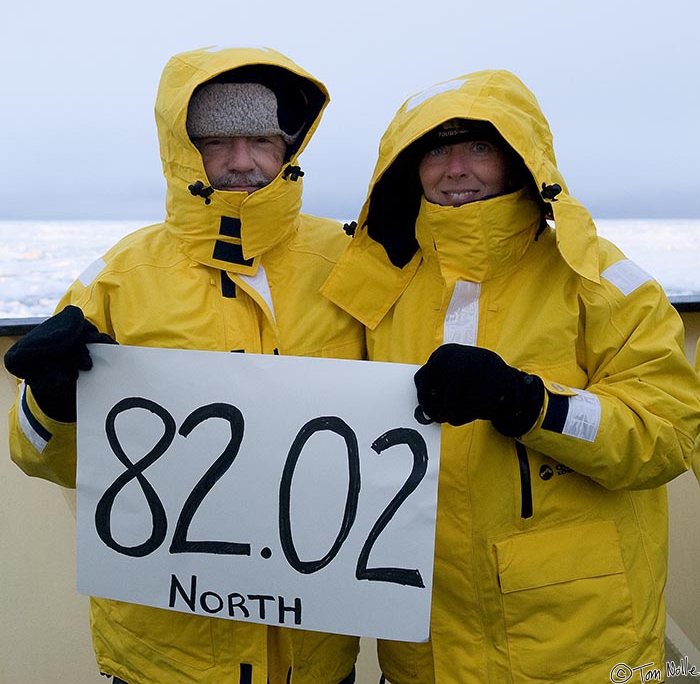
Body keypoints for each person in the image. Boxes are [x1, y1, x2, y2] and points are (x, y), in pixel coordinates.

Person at [320, 70, 700, 683]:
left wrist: (528, 403)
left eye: (479, 145)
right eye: (436, 149)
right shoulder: (376, 289)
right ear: (410, 168)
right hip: (427, 647)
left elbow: (665, 436)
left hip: (581, 644)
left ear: (522, 159)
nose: (455, 168)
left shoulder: (601, 281)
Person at [4, 46, 363, 684]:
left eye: (260, 138)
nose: (242, 161)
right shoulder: (119, 277)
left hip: (315, 648)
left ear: (289, 147)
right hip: (165, 654)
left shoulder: (351, 263)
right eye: (216, 141)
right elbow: (33, 452)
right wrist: (53, 404)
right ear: (181, 149)